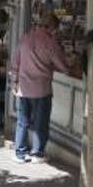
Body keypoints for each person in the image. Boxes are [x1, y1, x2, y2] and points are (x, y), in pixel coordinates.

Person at [8, 11, 70, 163]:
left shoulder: (25, 38)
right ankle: (37, 153)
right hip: (42, 89)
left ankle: (20, 153)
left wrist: (14, 82)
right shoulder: (50, 42)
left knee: (23, 120)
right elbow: (62, 66)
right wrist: (67, 68)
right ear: (51, 27)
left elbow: (15, 63)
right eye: (55, 29)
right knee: (40, 122)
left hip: (24, 88)